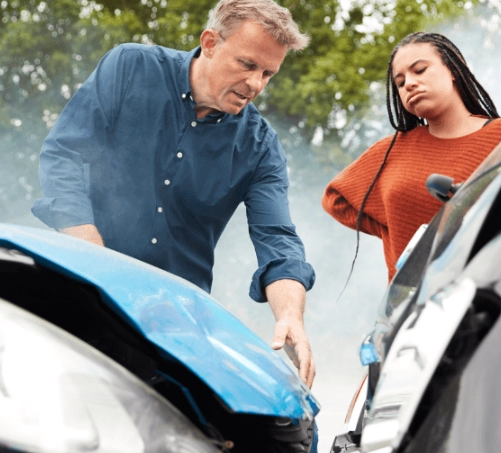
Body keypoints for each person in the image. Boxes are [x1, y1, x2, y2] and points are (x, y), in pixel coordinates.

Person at [32, 0, 316, 386]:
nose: (256, 84)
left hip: (170, 334)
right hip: (78, 298)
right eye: (248, 65)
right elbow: (63, 155)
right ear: (211, 42)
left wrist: (289, 316)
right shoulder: (130, 67)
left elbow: (278, 240)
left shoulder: (260, 146)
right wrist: (95, 261)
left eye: (268, 73)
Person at [322, 32, 501, 283]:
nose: (410, 84)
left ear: (454, 68)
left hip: (496, 289)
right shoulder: (392, 149)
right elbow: (335, 198)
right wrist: (395, 228)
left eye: (420, 70)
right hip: (412, 308)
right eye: (400, 82)